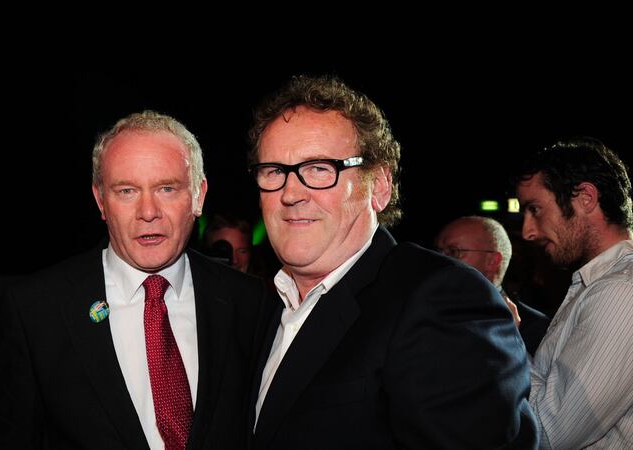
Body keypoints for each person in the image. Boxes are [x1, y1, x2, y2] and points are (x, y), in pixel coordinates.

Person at [247, 75, 537, 449]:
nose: (290, 193)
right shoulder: (261, 307)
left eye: (319, 168)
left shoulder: (441, 299)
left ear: (379, 187)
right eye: (273, 171)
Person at [0, 111, 266, 449]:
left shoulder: (251, 304)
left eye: (166, 188)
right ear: (101, 200)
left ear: (198, 195)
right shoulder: (35, 312)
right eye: (127, 190)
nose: (148, 211)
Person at [513, 136, 633, 449]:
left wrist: (508, 338)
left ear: (585, 198)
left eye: (535, 209)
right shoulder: (596, 284)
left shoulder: (620, 292)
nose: (527, 231)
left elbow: (549, 435)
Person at [434, 216, 551, 354]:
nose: (440, 260)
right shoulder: (422, 310)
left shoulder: (534, 328)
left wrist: (507, 341)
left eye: (453, 252)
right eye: (437, 251)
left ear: (492, 261)